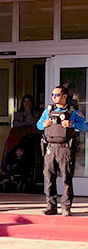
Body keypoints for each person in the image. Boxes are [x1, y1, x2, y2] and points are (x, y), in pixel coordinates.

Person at [36, 85, 87, 216]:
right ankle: (51, 206)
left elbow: (86, 126)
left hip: (65, 149)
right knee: (49, 178)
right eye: (53, 95)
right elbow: (38, 125)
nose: (54, 97)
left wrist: (72, 124)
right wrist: (44, 124)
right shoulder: (48, 111)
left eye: (57, 95)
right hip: (50, 148)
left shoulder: (72, 112)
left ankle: (66, 207)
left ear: (64, 96)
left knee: (66, 179)